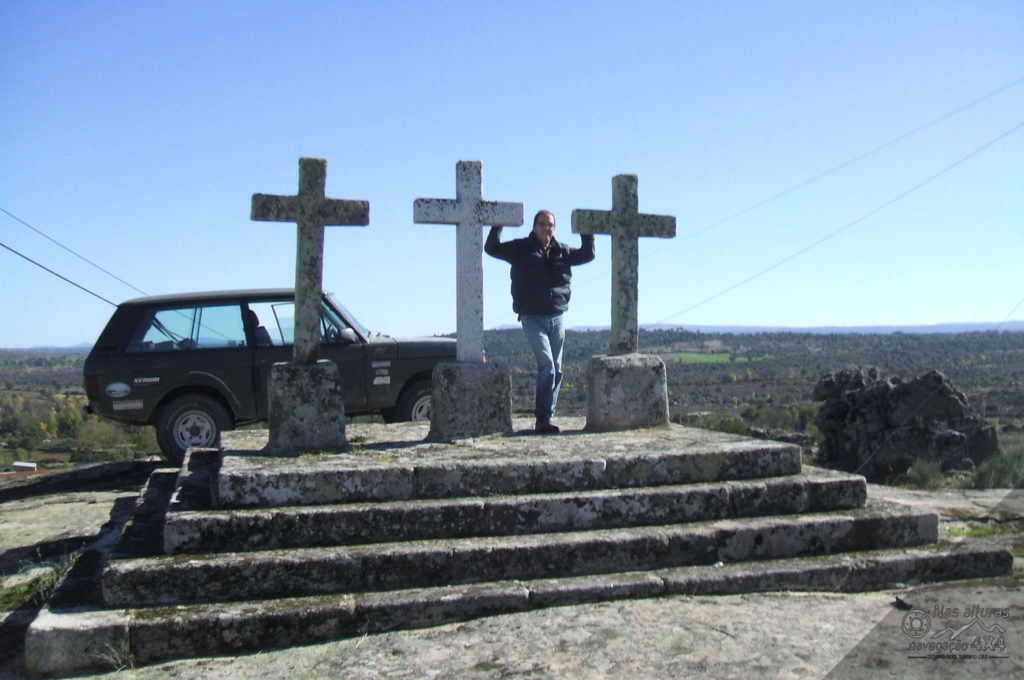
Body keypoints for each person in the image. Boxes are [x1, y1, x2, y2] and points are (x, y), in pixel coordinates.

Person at [485, 210, 595, 433]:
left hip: (558, 315)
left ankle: (548, 415)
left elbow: (587, 255)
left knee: (557, 369)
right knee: (547, 365)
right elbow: (492, 248)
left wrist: (587, 232)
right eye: (543, 224)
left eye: (551, 225)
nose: (547, 228)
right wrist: (497, 226)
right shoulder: (520, 249)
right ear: (534, 227)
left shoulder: (561, 251)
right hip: (532, 317)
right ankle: (542, 419)